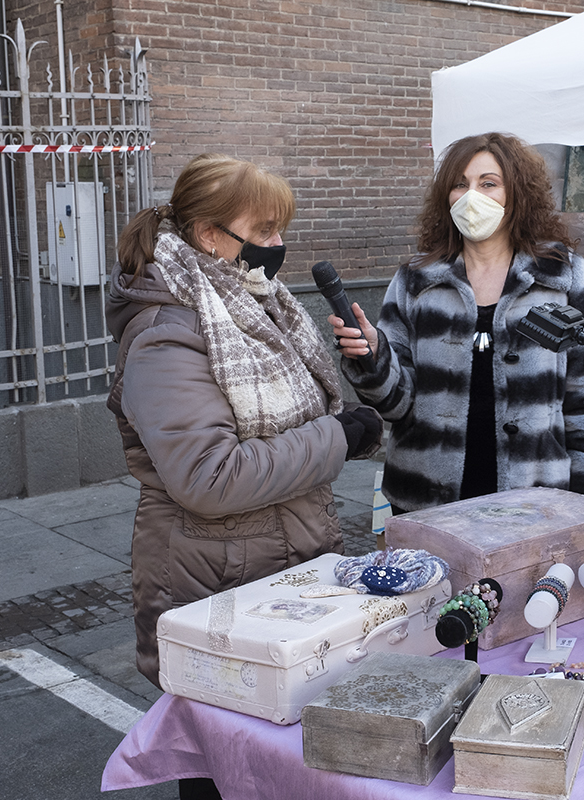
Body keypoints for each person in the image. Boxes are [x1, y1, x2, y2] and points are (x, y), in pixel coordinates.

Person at [106, 154, 382, 799]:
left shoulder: (251, 305)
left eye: (280, 230)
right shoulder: (167, 332)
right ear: (209, 236)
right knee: (219, 762)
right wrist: (335, 438)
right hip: (213, 575)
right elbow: (209, 475)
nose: (278, 247)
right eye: (263, 232)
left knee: (280, 761)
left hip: (283, 555)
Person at [330, 132, 584, 514]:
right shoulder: (417, 280)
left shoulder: (561, 278)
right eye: (459, 184)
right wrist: (373, 356)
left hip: (533, 505)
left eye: (488, 183)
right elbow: (397, 406)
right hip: (426, 501)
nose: (471, 196)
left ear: (516, 194)